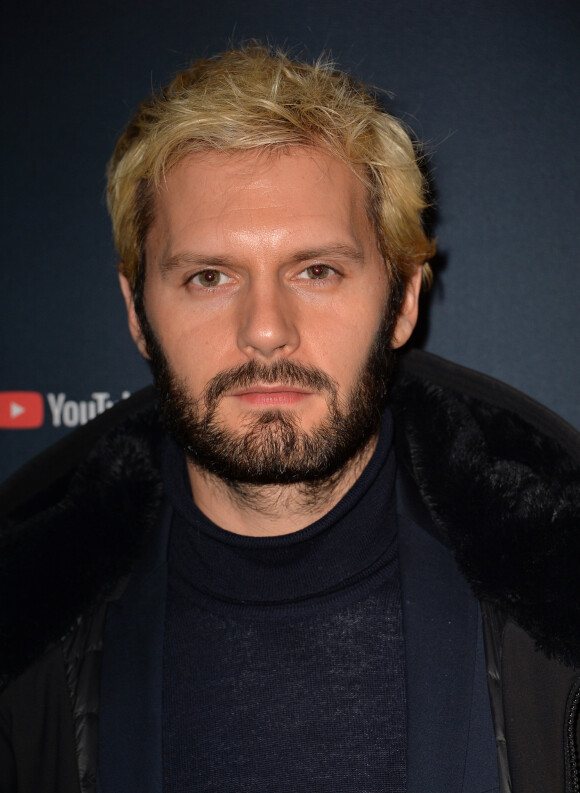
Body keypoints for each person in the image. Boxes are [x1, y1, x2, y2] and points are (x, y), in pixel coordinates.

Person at [1, 45, 579, 793]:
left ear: (403, 300)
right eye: (210, 277)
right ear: (137, 313)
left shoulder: (559, 618)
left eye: (317, 271)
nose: (266, 329)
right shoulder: (24, 649)